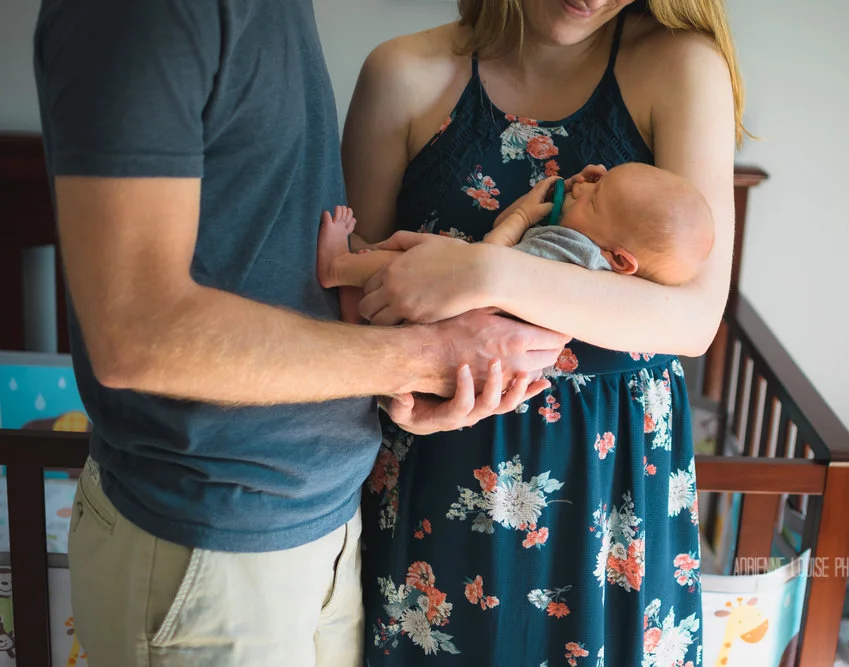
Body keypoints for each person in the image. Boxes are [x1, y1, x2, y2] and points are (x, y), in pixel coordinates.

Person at [31, 1, 571, 665]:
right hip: (212, 550)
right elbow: (137, 330)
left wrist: (396, 377)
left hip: (315, 527)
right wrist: (419, 356)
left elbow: (256, 259)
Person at [342, 0, 745, 664]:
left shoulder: (680, 68)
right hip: (441, 461)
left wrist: (484, 271)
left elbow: (693, 319)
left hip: (613, 482)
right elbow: (350, 297)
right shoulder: (403, 74)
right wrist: (397, 386)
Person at [317, 162, 716, 319]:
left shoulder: (570, 253)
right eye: (597, 182)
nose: (579, 190)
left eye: (593, 202)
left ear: (619, 259)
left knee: (404, 268)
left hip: (457, 313)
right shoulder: (596, 266)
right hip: (460, 321)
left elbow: (489, 265)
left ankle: (339, 266)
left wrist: (523, 216)